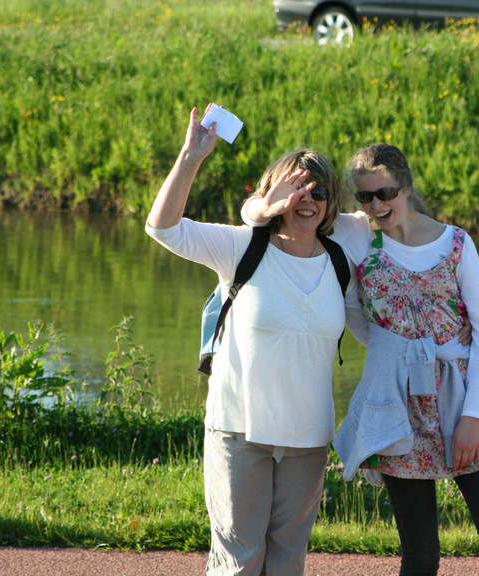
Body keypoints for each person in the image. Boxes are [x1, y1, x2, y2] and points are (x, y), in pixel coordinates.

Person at [244, 143, 479, 576]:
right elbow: (256, 218)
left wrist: (475, 419)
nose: (376, 205)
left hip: (461, 402)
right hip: (397, 406)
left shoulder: (456, 243)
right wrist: (395, 347)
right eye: (365, 196)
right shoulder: (356, 234)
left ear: (407, 188)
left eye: (386, 193)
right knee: (420, 556)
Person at [145, 105, 366, 576]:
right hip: (239, 432)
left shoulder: (343, 257)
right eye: (294, 190)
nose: (306, 201)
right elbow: (163, 228)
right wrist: (191, 158)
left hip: (308, 439)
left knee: (287, 563)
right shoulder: (242, 247)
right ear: (272, 192)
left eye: (318, 192)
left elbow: (377, 319)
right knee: (239, 563)